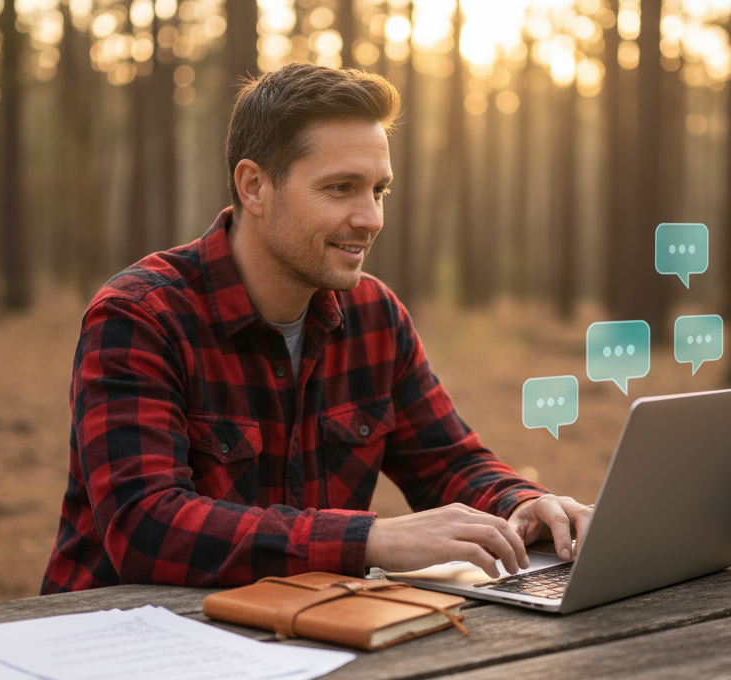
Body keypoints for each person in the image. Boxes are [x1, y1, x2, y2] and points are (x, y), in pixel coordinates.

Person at [42, 63, 592, 594]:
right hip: (123, 647)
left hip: (307, 640)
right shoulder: (140, 315)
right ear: (254, 187)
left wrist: (519, 502)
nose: (371, 218)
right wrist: (369, 538)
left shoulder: (377, 316)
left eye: (379, 190)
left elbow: (447, 459)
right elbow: (146, 526)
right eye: (340, 188)